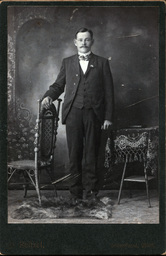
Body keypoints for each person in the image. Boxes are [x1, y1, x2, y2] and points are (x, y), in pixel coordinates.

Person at [41, 27, 114, 205]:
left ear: (92, 41)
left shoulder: (102, 63)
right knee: (74, 155)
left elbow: (109, 93)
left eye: (87, 39)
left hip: (94, 114)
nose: (83, 43)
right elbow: (58, 85)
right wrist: (49, 96)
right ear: (75, 42)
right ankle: (74, 193)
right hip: (73, 113)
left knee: (92, 154)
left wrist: (108, 117)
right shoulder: (67, 62)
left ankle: (90, 193)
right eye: (80, 40)